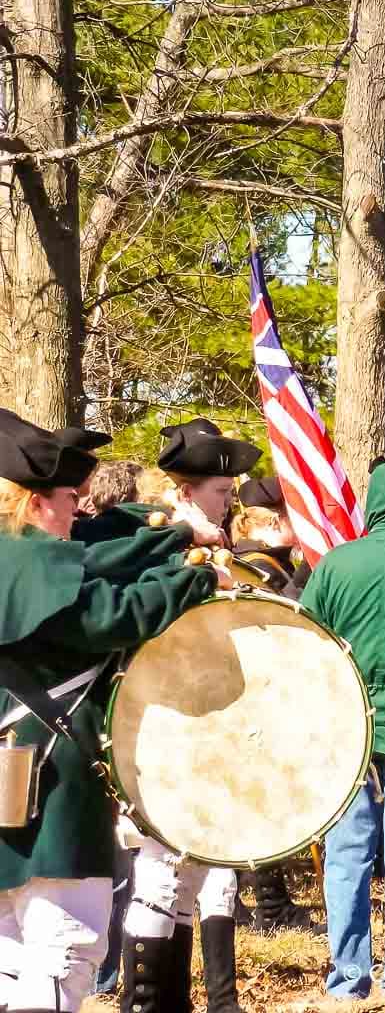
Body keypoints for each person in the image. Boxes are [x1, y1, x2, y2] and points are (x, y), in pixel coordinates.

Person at [0, 410, 221, 1013]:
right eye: (70, 497)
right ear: (35, 502)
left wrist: (176, 539)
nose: (77, 510)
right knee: (65, 954)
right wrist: (196, 577)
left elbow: (92, 568)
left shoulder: (18, 562)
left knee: (10, 959)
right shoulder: (36, 567)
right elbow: (117, 614)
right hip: (52, 788)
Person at [120, 418, 260, 1013]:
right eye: (222, 493)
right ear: (184, 493)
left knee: (190, 877)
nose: (231, 504)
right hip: (160, 727)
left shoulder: (206, 550)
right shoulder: (154, 546)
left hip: (206, 725)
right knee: (159, 872)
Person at [301, 457, 385, 1000]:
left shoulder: (336, 565)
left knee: (347, 854)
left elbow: (307, 640)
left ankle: (347, 977)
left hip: (347, 724)